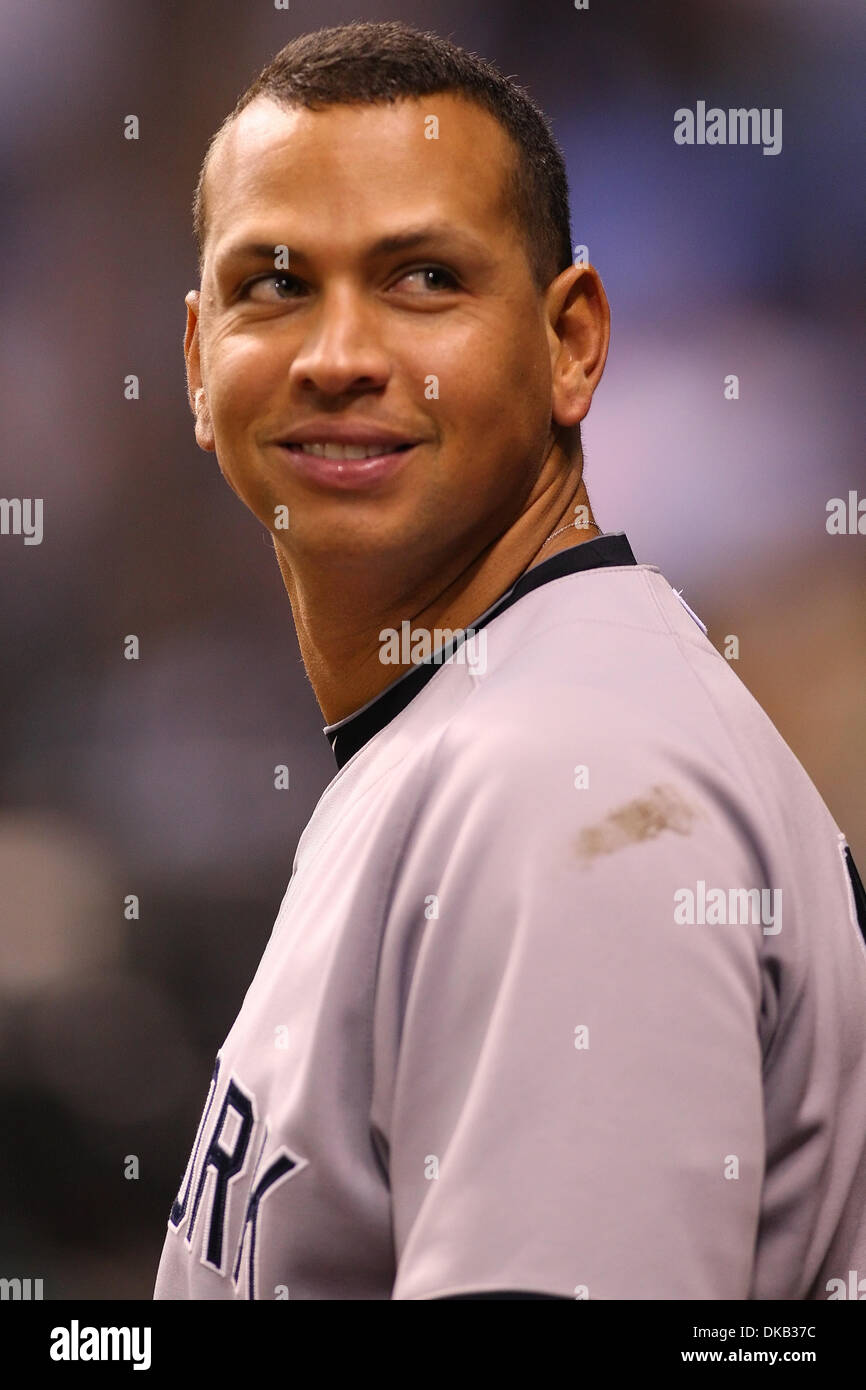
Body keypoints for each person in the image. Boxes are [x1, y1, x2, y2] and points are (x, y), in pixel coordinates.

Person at [153, 20, 866, 1301]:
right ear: (200, 362)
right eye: (276, 283)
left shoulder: (561, 790)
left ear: (571, 344)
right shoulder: (483, 723)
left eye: (422, 278)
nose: (339, 355)